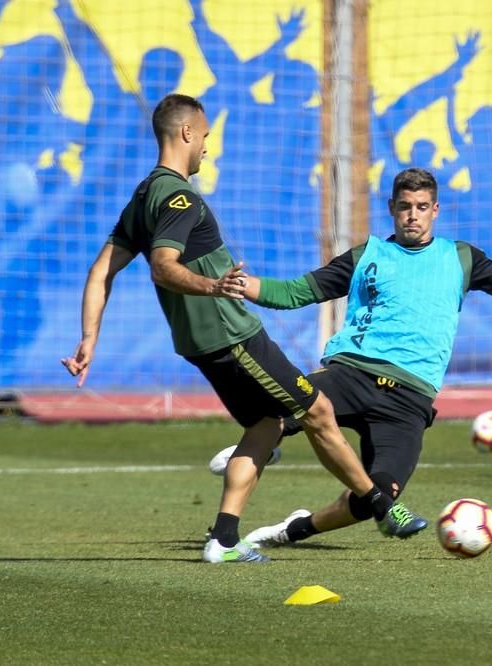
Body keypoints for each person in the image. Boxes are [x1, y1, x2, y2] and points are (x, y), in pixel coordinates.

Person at [61, 94, 427, 563]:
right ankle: (382, 507)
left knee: (267, 423)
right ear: (188, 133)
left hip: (198, 343)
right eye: (206, 136)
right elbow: (162, 266)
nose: (208, 148)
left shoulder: (143, 195)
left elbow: (99, 272)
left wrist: (89, 338)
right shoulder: (178, 197)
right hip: (231, 336)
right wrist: (213, 287)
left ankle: (225, 540)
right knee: (317, 410)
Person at [209, 167, 492, 548]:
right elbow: (296, 293)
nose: (412, 216)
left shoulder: (462, 257)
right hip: (351, 374)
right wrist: (242, 284)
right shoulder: (369, 254)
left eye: (421, 207)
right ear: (392, 209)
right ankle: (229, 520)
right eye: (404, 207)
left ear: (435, 210)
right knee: (276, 413)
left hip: (409, 401)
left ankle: (292, 529)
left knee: (377, 497)